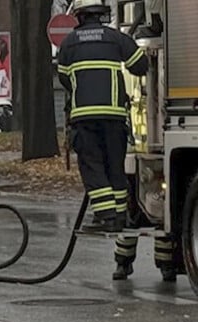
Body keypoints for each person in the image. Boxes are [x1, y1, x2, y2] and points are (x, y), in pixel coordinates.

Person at [58, 0, 175, 281]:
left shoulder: (69, 44)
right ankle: (119, 216)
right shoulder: (116, 38)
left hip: (84, 118)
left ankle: (106, 216)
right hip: (114, 117)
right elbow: (140, 65)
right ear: (103, 15)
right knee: (115, 168)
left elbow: (64, 80)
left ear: (78, 17)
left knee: (93, 168)